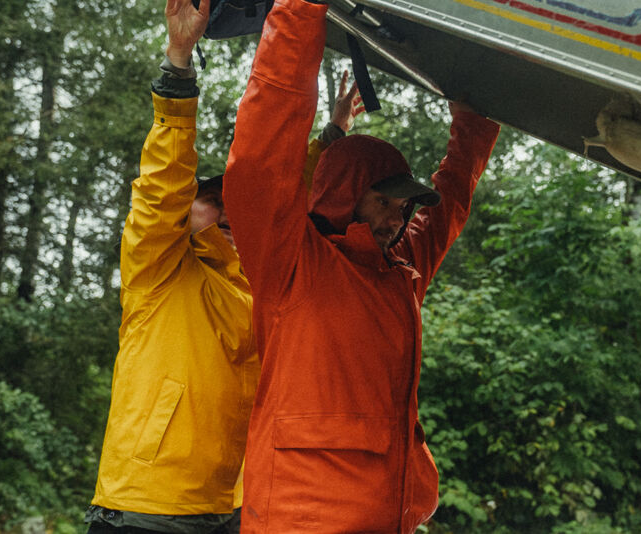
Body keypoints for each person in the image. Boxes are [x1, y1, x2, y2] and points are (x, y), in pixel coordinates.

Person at [222, 0, 501, 532]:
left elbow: (452, 199)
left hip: (390, 516)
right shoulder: (290, 260)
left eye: (403, 207)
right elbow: (262, 153)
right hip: (300, 520)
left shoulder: (399, 270)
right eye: (384, 201)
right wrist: (300, 12)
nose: (398, 218)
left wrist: (475, 121)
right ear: (344, 193)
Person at [85, 1, 363, 532]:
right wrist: (178, 64)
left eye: (230, 199)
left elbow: (275, 195)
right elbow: (165, 182)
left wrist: (330, 138)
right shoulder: (157, 269)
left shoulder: (257, 282)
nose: (226, 207)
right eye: (211, 197)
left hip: (232, 505)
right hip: (147, 505)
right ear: (186, 208)